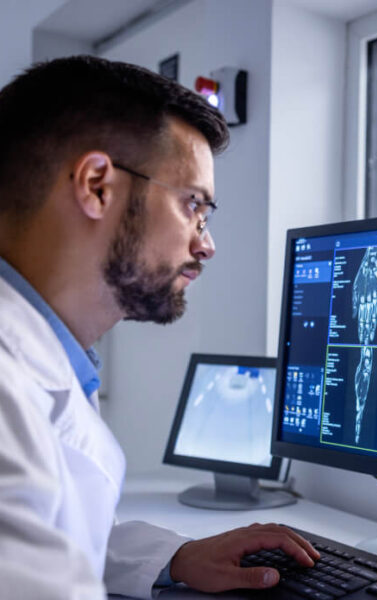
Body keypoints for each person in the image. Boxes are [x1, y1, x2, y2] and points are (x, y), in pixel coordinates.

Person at [0, 56, 318, 599]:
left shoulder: (47, 359)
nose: (206, 245)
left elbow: (50, 541)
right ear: (97, 185)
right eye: (193, 204)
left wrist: (175, 556)